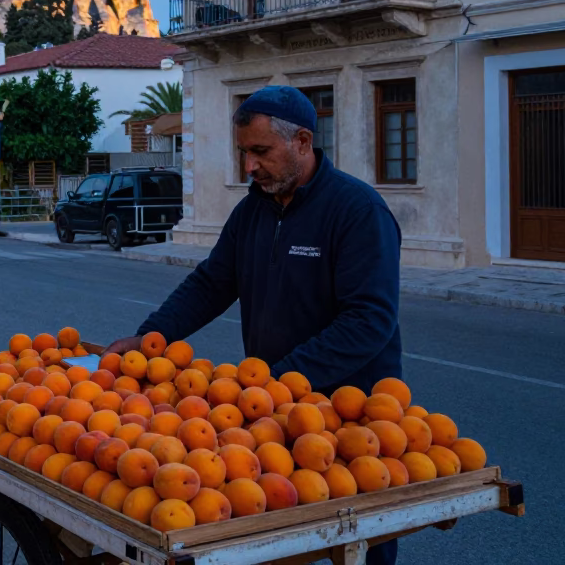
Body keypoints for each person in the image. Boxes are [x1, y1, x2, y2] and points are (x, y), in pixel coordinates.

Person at [105, 86, 402, 565]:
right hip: (273, 413)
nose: (249, 166)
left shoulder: (357, 211)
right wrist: (150, 337)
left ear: (303, 142)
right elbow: (210, 284)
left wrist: (279, 380)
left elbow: (369, 321)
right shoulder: (253, 211)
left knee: (357, 545)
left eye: (260, 152)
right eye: (245, 152)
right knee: (277, 537)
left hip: (352, 418)